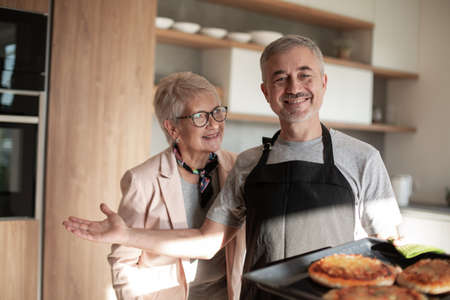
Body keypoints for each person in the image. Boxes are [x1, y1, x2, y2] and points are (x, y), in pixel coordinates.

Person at [63, 35, 402, 299]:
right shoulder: (249, 163)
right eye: (280, 78)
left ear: (323, 84)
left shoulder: (362, 158)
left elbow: (389, 253)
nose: (294, 87)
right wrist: (126, 236)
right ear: (266, 92)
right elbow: (207, 242)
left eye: (304, 75)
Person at [98, 72, 245, 300]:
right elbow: (123, 261)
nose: (214, 124)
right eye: (200, 117)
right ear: (173, 128)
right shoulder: (143, 180)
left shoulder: (238, 167)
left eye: (217, 112)